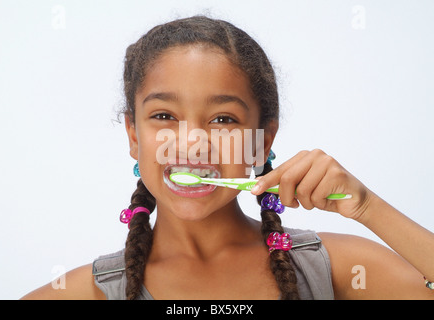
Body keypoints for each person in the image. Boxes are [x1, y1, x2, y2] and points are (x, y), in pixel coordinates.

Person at [22, 15, 434, 300]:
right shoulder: (85, 291)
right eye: (164, 116)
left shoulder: (335, 268)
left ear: (263, 138)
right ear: (133, 135)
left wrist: (368, 208)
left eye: (223, 119)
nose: (193, 143)